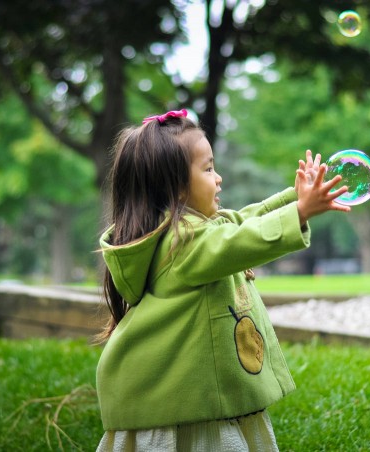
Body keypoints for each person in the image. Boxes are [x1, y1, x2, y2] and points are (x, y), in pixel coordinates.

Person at [95, 109, 350, 451]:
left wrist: (294, 197)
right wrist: (300, 212)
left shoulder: (192, 231)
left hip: (196, 399)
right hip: (187, 411)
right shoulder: (183, 244)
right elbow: (242, 240)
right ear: (178, 188)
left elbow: (245, 219)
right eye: (208, 168)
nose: (219, 178)